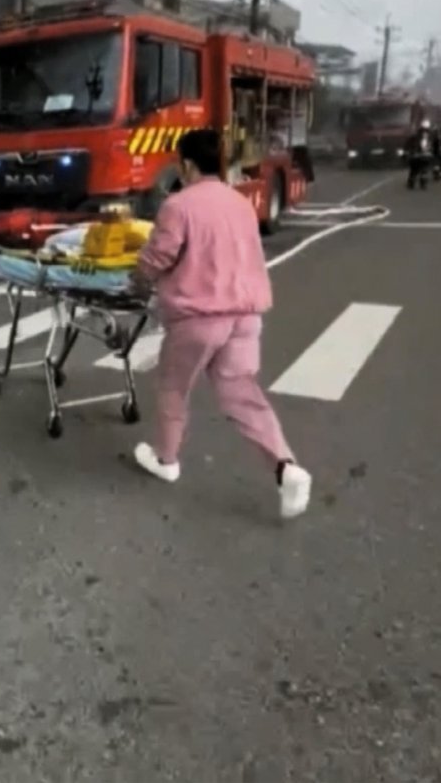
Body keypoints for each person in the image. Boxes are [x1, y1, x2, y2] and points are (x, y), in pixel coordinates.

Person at [129, 127, 312, 520]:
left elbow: (159, 256)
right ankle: (286, 467)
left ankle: (167, 459)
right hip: (245, 316)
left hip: (199, 316)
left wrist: (137, 279)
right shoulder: (241, 203)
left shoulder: (179, 206)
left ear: (187, 164)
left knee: (174, 388)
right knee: (241, 395)